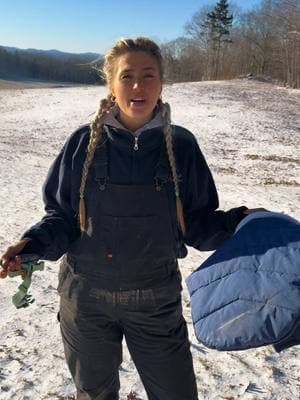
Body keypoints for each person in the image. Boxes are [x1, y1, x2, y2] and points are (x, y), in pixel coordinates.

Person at [0, 37, 255, 400]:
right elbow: (61, 218)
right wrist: (31, 246)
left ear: (162, 82)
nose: (138, 86)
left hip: (156, 302)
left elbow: (198, 225)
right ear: (111, 84)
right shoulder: (81, 144)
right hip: (85, 301)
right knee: (95, 395)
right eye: (127, 76)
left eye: (148, 76)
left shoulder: (181, 146)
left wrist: (244, 222)